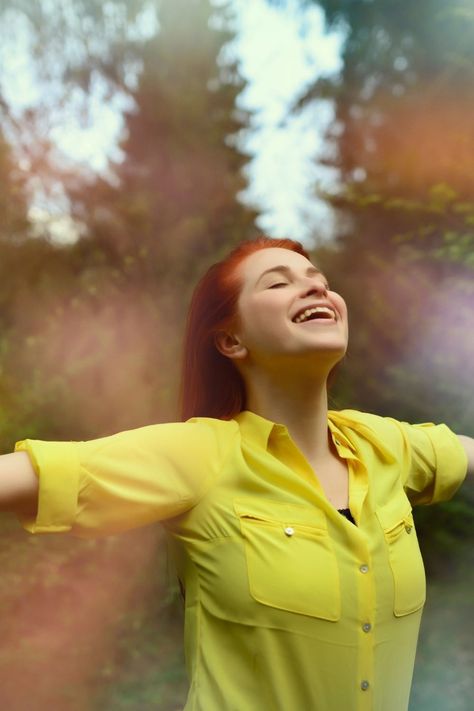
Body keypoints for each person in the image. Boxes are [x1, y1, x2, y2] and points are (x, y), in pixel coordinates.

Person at [1, 235, 473, 711]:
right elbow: (30, 477)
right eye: (278, 284)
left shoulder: (387, 446)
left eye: (320, 282)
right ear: (231, 340)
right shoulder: (199, 455)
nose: (315, 290)